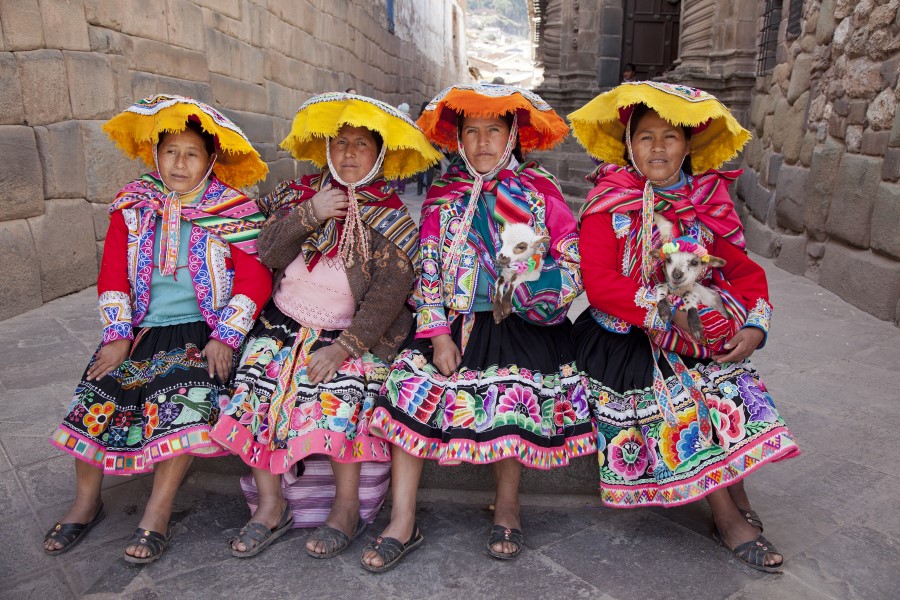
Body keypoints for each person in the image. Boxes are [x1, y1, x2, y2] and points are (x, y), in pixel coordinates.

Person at [567, 81, 800, 573]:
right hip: (623, 334)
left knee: (726, 375)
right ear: (629, 143)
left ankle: (736, 487)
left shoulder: (705, 202)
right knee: (681, 390)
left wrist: (756, 327)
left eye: (669, 137)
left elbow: (746, 273)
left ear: (687, 145)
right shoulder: (610, 202)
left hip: (691, 329)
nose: (657, 147)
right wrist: (661, 313)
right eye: (646, 136)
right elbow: (601, 284)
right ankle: (726, 516)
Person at [363, 83, 595, 572]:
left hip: (524, 321)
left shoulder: (541, 193)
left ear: (513, 137)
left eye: (494, 131)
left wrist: (530, 287)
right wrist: (438, 334)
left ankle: (507, 506)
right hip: (454, 323)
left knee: (511, 391)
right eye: (473, 132)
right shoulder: (442, 198)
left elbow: (573, 262)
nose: (483, 142)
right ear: (459, 140)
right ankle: (402, 519)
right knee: (409, 386)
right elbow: (428, 269)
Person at [211, 92, 441, 559]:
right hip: (283, 323)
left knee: (343, 394)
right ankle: (271, 506)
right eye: (340, 144)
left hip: (350, 334)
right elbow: (270, 253)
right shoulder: (302, 195)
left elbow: (389, 293)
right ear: (326, 150)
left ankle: (346, 508)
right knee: (258, 382)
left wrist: (346, 348)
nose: (349, 154)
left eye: (361, 144)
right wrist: (311, 213)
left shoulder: (390, 215)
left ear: (380, 154)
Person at [44, 94, 273, 563]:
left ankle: (158, 510)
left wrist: (225, 337)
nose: (180, 163)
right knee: (98, 391)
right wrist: (117, 337)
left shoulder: (233, 211)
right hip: (141, 329)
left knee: (183, 400)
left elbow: (255, 279)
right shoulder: (134, 206)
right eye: (171, 152)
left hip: (203, 329)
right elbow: (112, 274)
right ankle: (86, 503)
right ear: (156, 155)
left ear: (211, 159)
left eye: (191, 153)